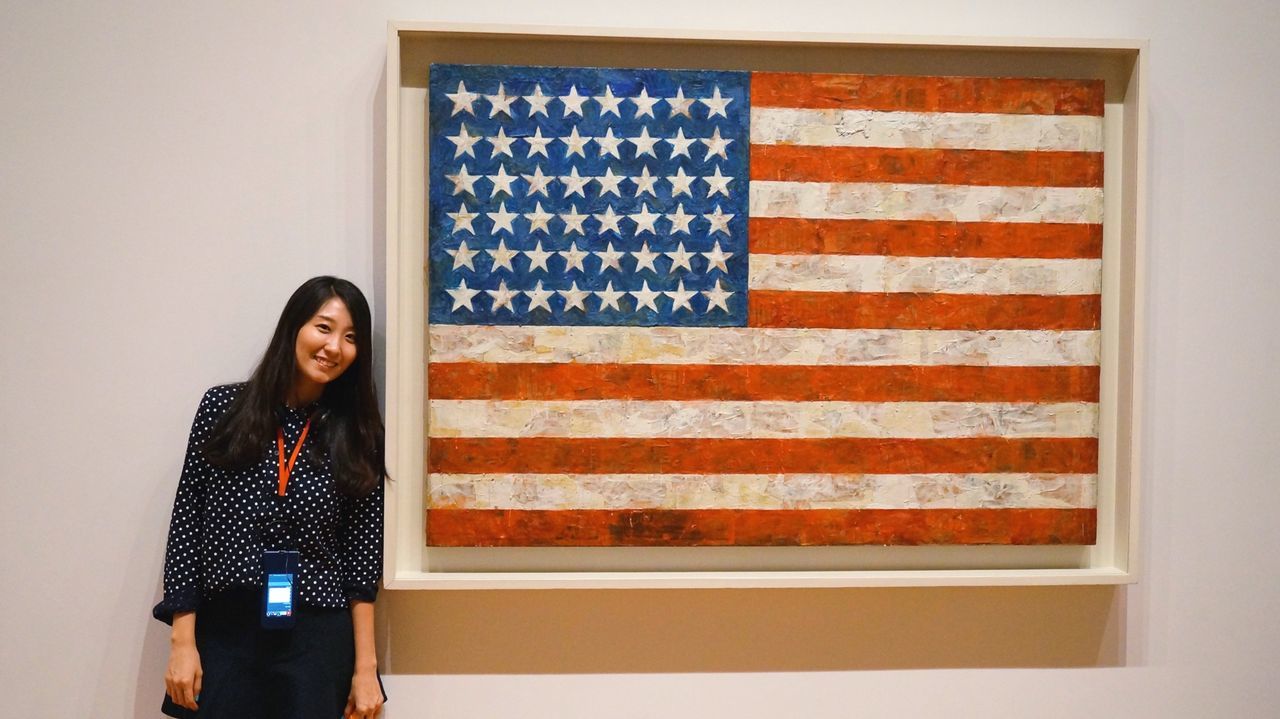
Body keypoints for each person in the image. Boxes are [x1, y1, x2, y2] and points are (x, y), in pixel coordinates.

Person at [153, 276, 387, 718]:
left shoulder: (359, 435)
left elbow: (360, 560)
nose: (334, 346)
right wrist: (182, 642)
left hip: (317, 638)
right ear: (294, 327)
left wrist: (366, 668)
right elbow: (186, 525)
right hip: (226, 632)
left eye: (351, 337)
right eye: (324, 327)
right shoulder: (222, 410)